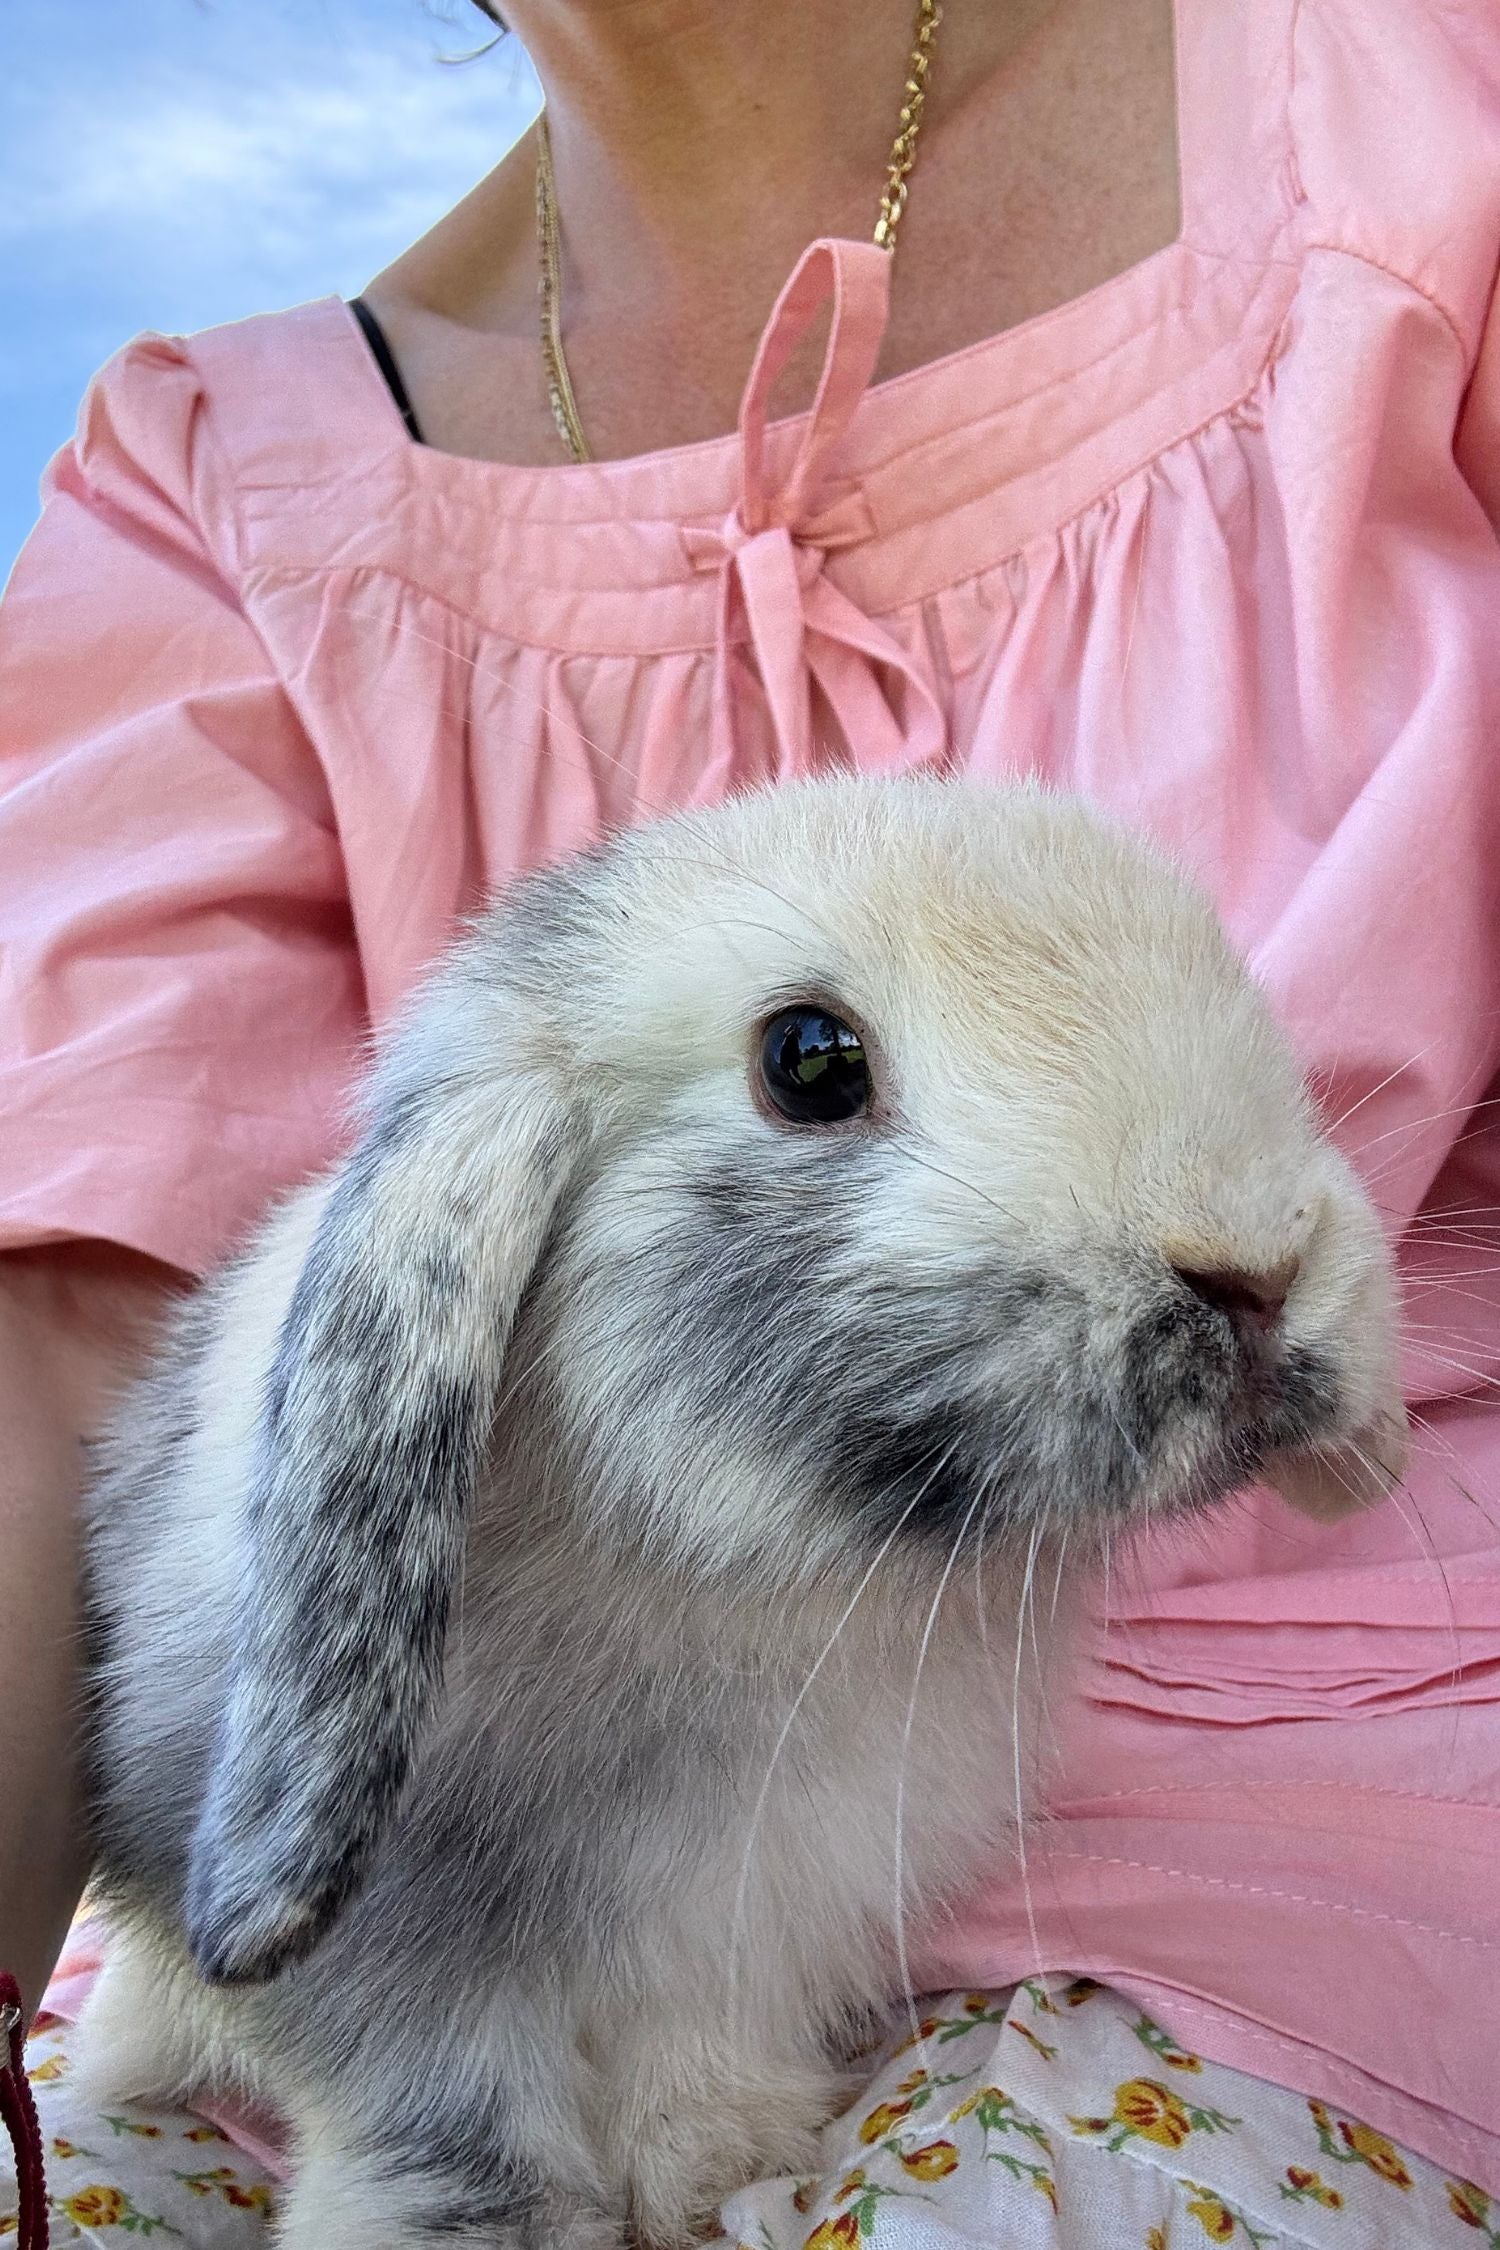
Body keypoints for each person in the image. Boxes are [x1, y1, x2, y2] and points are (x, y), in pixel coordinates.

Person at [3, 0, 1500, 2236]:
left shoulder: (1412, 117)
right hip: (473, 1865)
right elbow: (73, 1355)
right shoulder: (216, 483)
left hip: (1347, 1837)